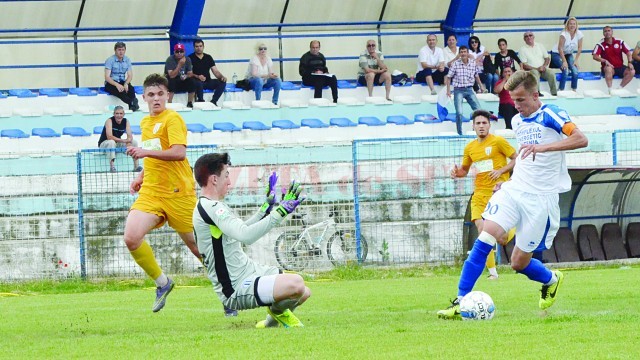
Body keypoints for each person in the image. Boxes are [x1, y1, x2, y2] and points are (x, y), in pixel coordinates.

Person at [437, 70, 588, 320]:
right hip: (514, 191)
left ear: (535, 94)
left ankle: (551, 279)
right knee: (485, 238)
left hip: (541, 199)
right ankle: (461, 300)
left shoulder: (551, 114)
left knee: (518, 262)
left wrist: (544, 147)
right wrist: (506, 181)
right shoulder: (518, 121)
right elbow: (524, 155)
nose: (516, 106)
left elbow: (580, 139)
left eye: (520, 100)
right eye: (513, 100)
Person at [192, 153, 310, 328]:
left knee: (305, 292)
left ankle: (270, 323)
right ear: (214, 180)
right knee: (296, 284)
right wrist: (281, 213)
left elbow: (239, 231)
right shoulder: (211, 207)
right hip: (234, 287)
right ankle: (277, 314)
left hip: (249, 273)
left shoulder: (211, 206)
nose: (229, 182)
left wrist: (266, 209)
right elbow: (246, 235)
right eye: (226, 176)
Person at [123, 73, 200, 312]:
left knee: (201, 250)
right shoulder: (146, 122)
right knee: (131, 237)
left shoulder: (173, 119)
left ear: (168, 95)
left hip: (178, 193)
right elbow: (155, 154)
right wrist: (142, 176)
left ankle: (232, 290)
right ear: (144, 97)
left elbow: (178, 153)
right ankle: (162, 283)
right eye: (151, 95)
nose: (156, 99)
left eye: (160, 94)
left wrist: (144, 154)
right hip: (152, 192)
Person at [450, 109, 517, 280]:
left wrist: (501, 170)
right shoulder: (470, 147)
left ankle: (514, 227)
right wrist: (458, 173)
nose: (481, 126)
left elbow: (517, 158)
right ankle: (493, 273)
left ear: (489, 125)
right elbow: (464, 171)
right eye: (478, 123)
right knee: (483, 232)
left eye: (484, 123)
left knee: (501, 239)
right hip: (479, 194)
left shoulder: (498, 142)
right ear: (473, 126)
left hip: (498, 192)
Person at [445, 46, 486, 135]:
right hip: (458, 90)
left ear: (468, 53)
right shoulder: (455, 64)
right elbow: (448, 77)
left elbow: (476, 75)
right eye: (461, 52)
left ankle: (476, 130)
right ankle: (460, 133)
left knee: (479, 110)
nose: (463, 53)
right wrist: (448, 91)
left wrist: (481, 86)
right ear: (459, 54)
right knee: (459, 112)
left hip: (469, 89)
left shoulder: (472, 63)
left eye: (464, 52)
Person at [98, 105, 142, 173]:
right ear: (114, 114)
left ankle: (136, 166)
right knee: (111, 142)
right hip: (104, 144)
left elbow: (130, 136)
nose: (119, 115)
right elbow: (110, 136)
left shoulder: (126, 121)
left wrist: (129, 142)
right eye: (117, 113)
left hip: (116, 143)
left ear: (124, 114)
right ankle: (112, 167)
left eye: (121, 113)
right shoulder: (109, 121)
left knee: (134, 142)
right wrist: (125, 140)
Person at [592, 26, 635, 93]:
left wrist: (630, 62)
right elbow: (595, 56)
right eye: (605, 31)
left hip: (620, 67)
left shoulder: (619, 41)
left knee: (632, 71)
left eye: (609, 31)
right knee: (608, 69)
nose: (607, 32)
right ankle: (610, 90)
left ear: (612, 32)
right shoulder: (600, 44)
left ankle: (619, 89)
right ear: (603, 33)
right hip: (609, 68)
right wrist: (605, 61)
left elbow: (628, 53)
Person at [188, 39, 227, 106]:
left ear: (203, 47)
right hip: (197, 82)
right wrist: (198, 76)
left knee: (222, 82)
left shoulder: (208, 57)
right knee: (197, 83)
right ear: (194, 47)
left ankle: (214, 101)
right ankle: (201, 102)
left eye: (200, 46)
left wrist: (222, 77)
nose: (199, 48)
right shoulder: (190, 58)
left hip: (208, 81)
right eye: (197, 46)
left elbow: (215, 71)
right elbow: (189, 73)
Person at [550, 17, 583, 92]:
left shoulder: (579, 34)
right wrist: (564, 61)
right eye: (570, 24)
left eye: (574, 24)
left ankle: (574, 89)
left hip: (568, 53)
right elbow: (560, 48)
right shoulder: (564, 34)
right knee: (566, 70)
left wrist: (576, 60)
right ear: (567, 25)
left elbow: (580, 47)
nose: (572, 25)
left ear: (576, 25)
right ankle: (561, 90)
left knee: (575, 70)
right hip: (557, 53)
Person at [519, 31, 558, 96]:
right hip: (531, 70)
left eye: (530, 35)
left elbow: (547, 58)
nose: (529, 37)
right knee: (535, 73)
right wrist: (537, 68)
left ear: (534, 37)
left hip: (543, 68)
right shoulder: (522, 49)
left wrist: (544, 66)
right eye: (526, 36)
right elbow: (524, 65)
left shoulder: (540, 45)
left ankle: (554, 93)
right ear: (524, 39)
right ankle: (537, 93)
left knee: (551, 73)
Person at [104, 42, 139, 111]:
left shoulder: (127, 60)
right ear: (115, 50)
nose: (121, 52)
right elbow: (107, 77)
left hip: (122, 81)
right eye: (119, 50)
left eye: (123, 50)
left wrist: (126, 83)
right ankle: (132, 103)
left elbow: (130, 75)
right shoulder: (110, 60)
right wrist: (117, 85)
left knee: (131, 89)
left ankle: (132, 107)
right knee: (121, 92)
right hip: (111, 83)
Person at [164, 43, 196, 108]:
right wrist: (179, 65)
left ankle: (189, 103)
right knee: (171, 81)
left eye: (181, 51)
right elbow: (171, 75)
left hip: (182, 79)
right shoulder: (170, 59)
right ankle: (169, 103)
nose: (179, 53)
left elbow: (190, 73)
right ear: (174, 52)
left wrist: (186, 76)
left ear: (184, 52)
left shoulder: (188, 59)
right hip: (173, 79)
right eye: (177, 51)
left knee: (192, 81)